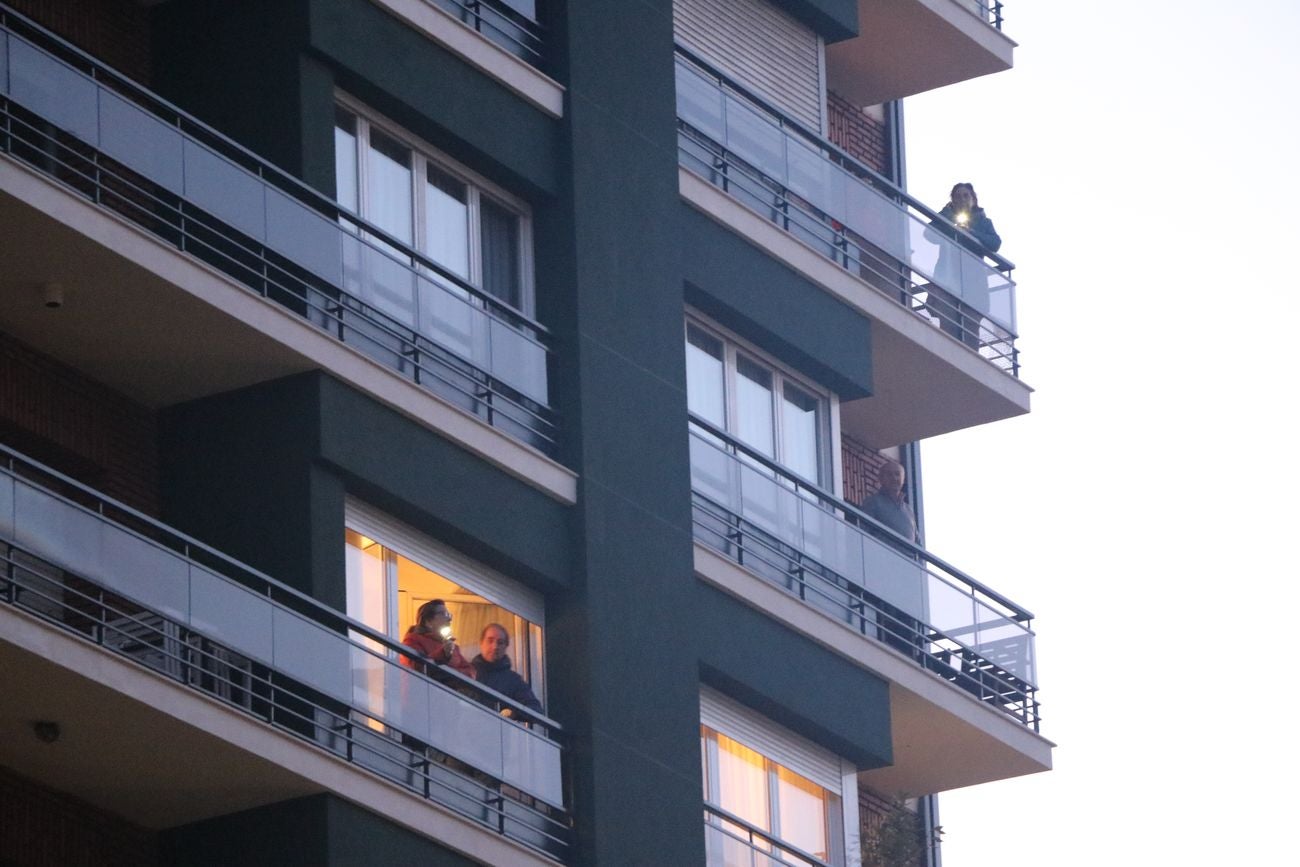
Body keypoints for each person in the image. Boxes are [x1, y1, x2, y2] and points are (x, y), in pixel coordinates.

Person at [924, 182, 1002, 348]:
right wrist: (946, 213)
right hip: (947, 281)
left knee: (970, 329)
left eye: (966, 196)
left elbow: (995, 243)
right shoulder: (947, 220)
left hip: (973, 286)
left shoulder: (983, 222)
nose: (962, 199)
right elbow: (928, 234)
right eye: (957, 196)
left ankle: (970, 361)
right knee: (947, 327)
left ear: (973, 199)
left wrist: (971, 233)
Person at [471, 623, 542, 714]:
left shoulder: (513, 681)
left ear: (506, 646)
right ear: (481, 643)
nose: (495, 647)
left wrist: (513, 712)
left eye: (500, 642)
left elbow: (535, 708)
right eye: (490, 641)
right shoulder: (467, 671)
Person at [401, 599, 475, 680]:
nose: (449, 619)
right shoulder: (412, 641)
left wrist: (450, 674)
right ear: (428, 621)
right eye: (443, 614)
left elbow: (470, 672)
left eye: (449, 615)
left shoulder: (453, 647)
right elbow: (418, 668)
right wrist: (443, 653)